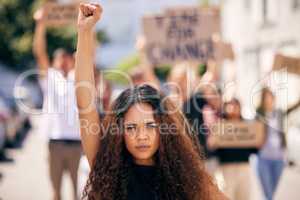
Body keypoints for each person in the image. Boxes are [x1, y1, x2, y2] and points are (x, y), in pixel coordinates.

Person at [75, 3, 227, 200]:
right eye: (131, 128)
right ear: (119, 132)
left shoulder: (188, 176)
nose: (142, 136)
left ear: (163, 128)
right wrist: (84, 32)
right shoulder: (106, 167)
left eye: (150, 125)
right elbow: (85, 107)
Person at [33, 8, 82, 200]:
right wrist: (40, 25)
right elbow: (39, 52)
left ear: (71, 61)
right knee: (56, 192)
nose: (63, 62)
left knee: (77, 192)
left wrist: (85, 26)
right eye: (59, 58)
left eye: (66, 58)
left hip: (76, 143)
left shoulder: (77, 79)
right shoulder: (50, 78)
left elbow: (88, 52)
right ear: (54, 62)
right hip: (55, 142)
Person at [214, 98, 258, 200]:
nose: (233, 108)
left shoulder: (246, 126)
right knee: (227, 196)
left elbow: (253, 149)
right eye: (230, 106)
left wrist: (257, 144)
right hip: (226, 168)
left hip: (244, 167)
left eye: (235, 106)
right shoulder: (220, 125)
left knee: (244, 195)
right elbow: (214, 149)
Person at [256, 87, 286, 200]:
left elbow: (282, 134)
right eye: (266, 97)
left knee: (274, 192)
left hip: (279, 158)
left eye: (270, 97)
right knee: (268, 193)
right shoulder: (259, 115)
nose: (268, 100)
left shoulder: (279, 114)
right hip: (264, 158)